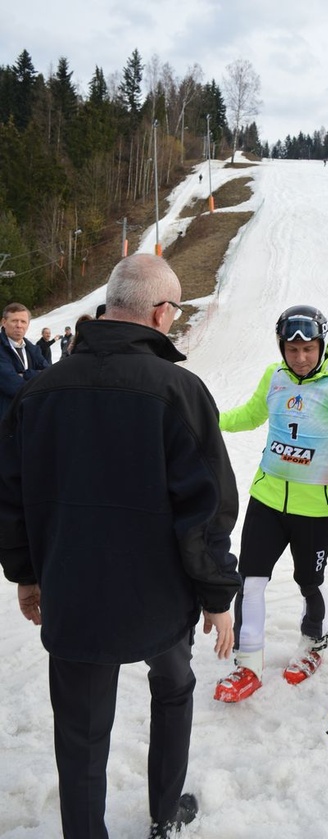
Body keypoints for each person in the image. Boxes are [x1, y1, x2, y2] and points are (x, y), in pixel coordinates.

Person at [0, 253, 241, 838]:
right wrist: (215, 594)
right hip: (160, 596)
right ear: (160, 313)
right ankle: (164, 813)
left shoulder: (41, 390)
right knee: (174, 688)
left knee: (80, 731)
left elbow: (10, 496)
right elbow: (207, 507)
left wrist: (27, 576)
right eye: (175, 312)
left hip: (74, 591)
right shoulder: (178, 389)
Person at [214, 304, 328, 703]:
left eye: (309, 349)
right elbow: (249, 415)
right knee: (251, 581)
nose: (301, 357)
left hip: (315, 509)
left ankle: (314, 640)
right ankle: (248, 665)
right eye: (292, 350)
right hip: (268, 498)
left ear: (321, 345)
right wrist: (210, 417)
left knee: (307, 582)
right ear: (281, 349)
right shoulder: (274, 377)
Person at [0, 302, 49, 422]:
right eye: (14, 321)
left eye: (23, 322)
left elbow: (49, 376)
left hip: (29, 418)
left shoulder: (33, 349)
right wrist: (38, 376)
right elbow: (13, 386)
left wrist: (25, 374)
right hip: (6, 419)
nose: (19, 325)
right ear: (3, 322)